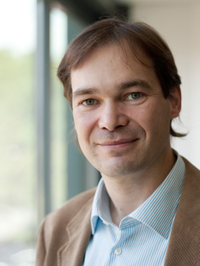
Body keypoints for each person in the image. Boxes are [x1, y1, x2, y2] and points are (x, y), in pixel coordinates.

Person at [35, 18, 200, 266]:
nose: (110, 122)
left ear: (174, 100)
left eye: (133, 95)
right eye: (89, 101)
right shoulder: (54, 229)